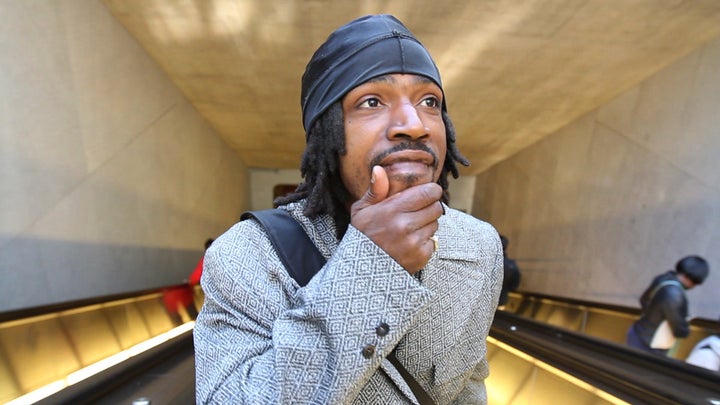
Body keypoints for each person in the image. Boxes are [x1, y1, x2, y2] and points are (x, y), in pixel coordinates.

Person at [193, 14, 503, 404]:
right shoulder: (246, 256)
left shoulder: (479, 245)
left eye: (430, 101)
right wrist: (374, 265)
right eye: (371, 101)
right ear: (328, 132)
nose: (414, 124)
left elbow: (469, 387)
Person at [626, 255, 710, 356]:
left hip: (637, 333)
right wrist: (685, 329)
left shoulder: (662, 279)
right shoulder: (674, 295)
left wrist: (653, 315)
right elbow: (679, 329)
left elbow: (643, 300)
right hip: (650, 346)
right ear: (693, 279)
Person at [497, 235, 521, 307]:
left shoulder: (485, 261)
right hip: (501, 301)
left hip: (482, 303)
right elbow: (515, 285)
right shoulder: (511, 265)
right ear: (506, 247)